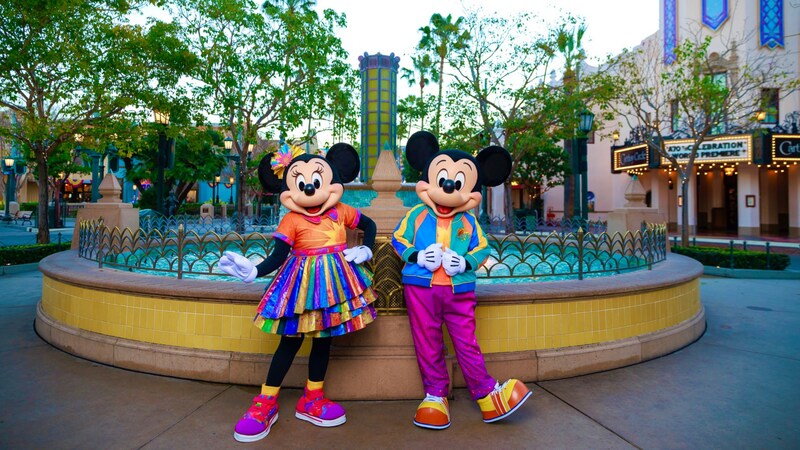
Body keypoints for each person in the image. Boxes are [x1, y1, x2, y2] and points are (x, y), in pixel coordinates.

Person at [219, 143, 377, 442]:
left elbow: (368, 224)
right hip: (300, 288)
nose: (308, 189)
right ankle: (265, 403)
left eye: (315, 182)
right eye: (301, 183)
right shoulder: (291, 220)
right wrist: (254, 270)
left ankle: (312, 398)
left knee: (322, 342)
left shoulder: (342, 211)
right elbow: (279, 256)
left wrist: (366, 248)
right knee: (289, 343)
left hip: (335, 285)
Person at [392, 131, 531, 430]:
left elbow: (483, 249)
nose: (448, 188)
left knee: (466, 343)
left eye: (458, 183)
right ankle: (435, 396)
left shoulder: (469, 222)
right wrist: (417, 256)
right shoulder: (416, 215)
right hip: (421, 289)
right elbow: (398, 240)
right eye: (442, 180)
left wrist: (465, 261)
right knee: (427, 342)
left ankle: (486, 395)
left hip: (459, 291)